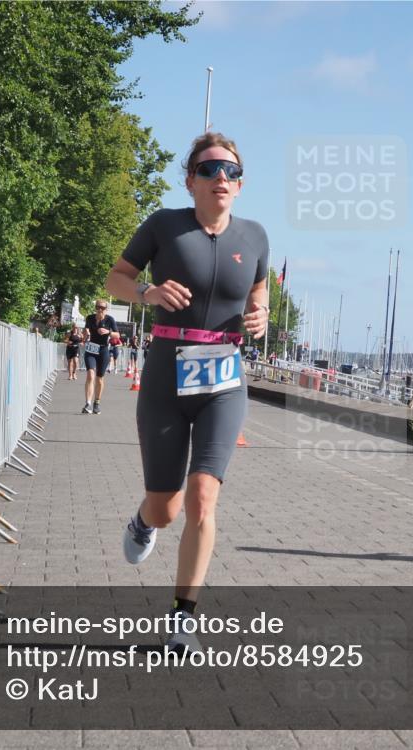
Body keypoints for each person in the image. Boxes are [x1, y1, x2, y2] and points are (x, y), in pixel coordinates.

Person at [105, 132, 269, 651]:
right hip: (164, 375)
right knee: (167, 507)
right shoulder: (163, 226)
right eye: (211, 169)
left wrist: (260, 315)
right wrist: (147, 292)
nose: (223, 177)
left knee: (203, 497)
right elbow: (115, 279)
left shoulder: (256, 236)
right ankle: (142, 520)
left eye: (232, 171)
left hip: (224, 378)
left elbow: (259, 291)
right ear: (190, 179)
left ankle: (182, 616)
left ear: (240, 186)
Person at [82, 300, 118, 414]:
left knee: (99, 378)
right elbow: (86, 329)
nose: (100, 309)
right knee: (90, 375)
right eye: (98, 307)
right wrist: (85, 332)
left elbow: (117, 334)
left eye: (102, 307)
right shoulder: (90, 318)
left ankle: (96, 403)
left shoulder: (110, 319)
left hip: (103, 350)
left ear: (106, 309)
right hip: (91, 349)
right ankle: (88, 403)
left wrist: (108, 332)